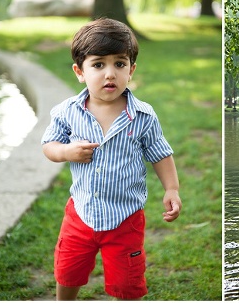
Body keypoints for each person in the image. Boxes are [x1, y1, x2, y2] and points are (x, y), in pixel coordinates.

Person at [41, 18, 182, 299]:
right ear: (79, 71)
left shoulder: (143, 115)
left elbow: (160, 153)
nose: (110, 74)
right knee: (68, 271)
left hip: (125, 219)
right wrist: (67, 152)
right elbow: (49, 145)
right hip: (81, 213)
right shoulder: (67, 112)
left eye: (119, 64)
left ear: (131, 70)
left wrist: (172, 188)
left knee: (127, 282)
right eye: (98, 64)